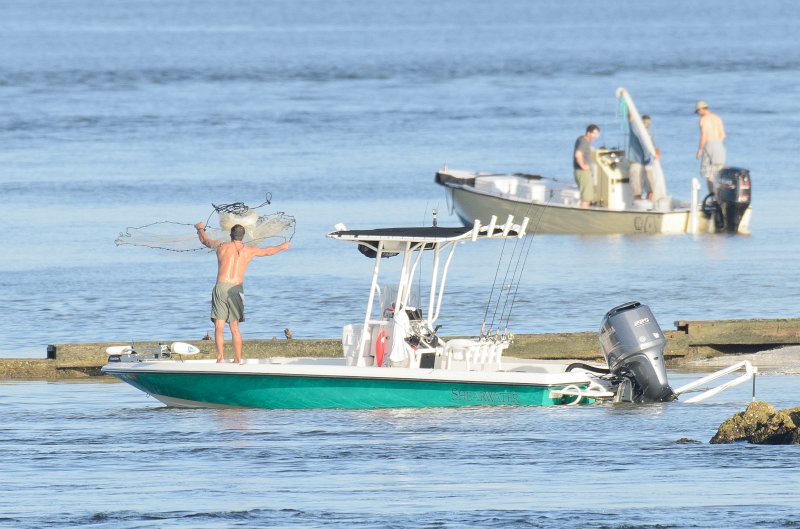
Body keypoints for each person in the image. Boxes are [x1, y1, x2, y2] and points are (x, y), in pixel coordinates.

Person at [195, 222, 291, 364]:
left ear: (230, 235)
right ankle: (238, 359)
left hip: (221, 287)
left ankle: (220, 357)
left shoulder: (221, 246)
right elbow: (267, 251)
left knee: (218, 326)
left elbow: (205, 240)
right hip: (236, 289)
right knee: (234, 327)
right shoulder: (249, 250)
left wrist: (200, 228)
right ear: (243, 236)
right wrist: (283, 247)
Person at [695, 100, 726, 195]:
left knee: (709, 174)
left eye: (698, 111)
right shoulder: (717, 118)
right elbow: (723, 135)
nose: (698, 114)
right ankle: (720, 196)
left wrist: (700, 150)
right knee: (719, 173)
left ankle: (712, 196)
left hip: (709, 145)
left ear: (701, 109)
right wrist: (717, 144)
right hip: (720, 145)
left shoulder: (703, 119)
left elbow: (704, 135)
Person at [628, 114, 661, 201]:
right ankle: (638, 207)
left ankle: (649, 206)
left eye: (648, 122)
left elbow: (656, 147)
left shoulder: (650, 133)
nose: (647, 124)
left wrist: (657, 153)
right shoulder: (635, 130)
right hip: (636, 162)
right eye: (645, 122)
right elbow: (630, 119)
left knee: (652, 189)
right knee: (637, 190)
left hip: (647, 163)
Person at [573, 124, 600, 208]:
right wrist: (583, 166)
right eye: (595, 134)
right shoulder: (584, 141)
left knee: (585, 196)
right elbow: (578, 154)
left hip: (579, 171)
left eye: (597, 134)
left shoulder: (581, 139)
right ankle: (583, 214)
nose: (596, 136)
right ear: (588, 133)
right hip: (583, 172)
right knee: (587, 198)